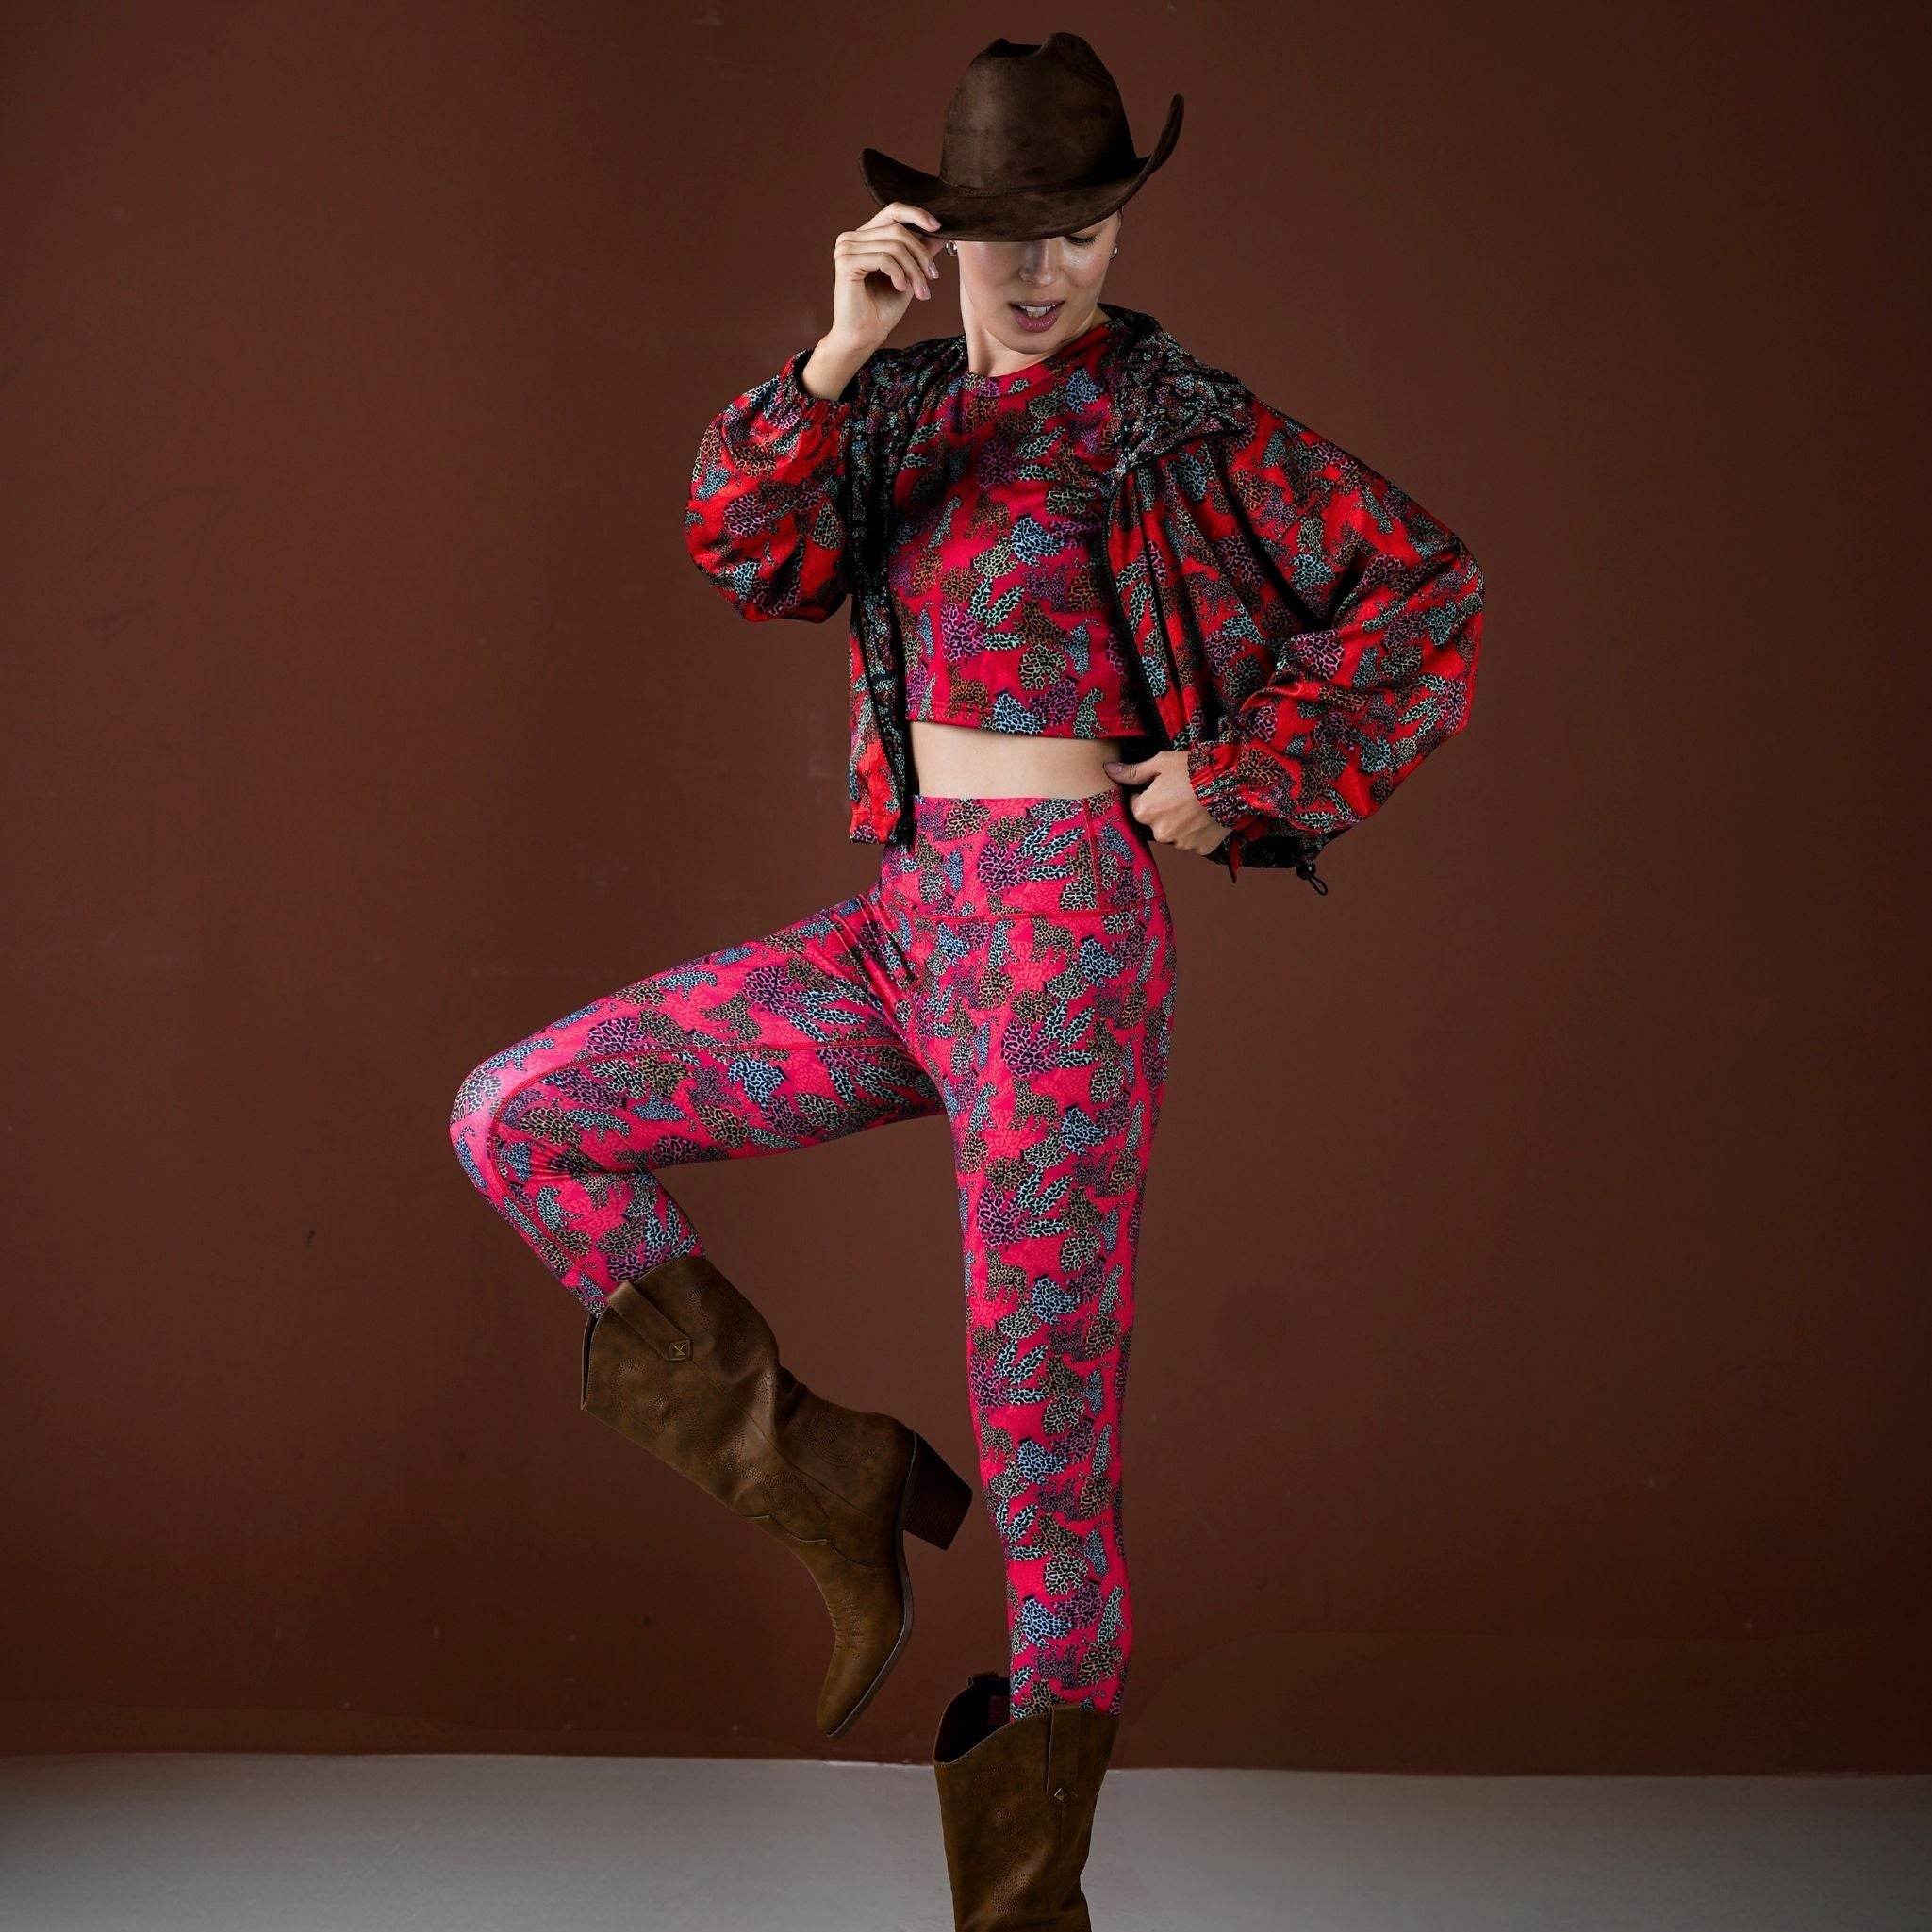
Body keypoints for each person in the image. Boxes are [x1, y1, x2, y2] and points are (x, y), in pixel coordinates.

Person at [450, 31, 1482, 1929]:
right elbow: (739, 546)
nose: (1035, 269)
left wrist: (1240, 776)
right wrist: (833, 348)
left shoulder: (1178, 418)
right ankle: (829, 1474)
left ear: (1118, 225)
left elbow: (1421, 587)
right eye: (999, 231)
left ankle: (1022, 1904)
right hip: (902, 927)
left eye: (1075, 228)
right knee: (518, 1112)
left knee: (1038, 1434)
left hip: (1066, 938)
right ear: (929, 230)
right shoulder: (895, 408)